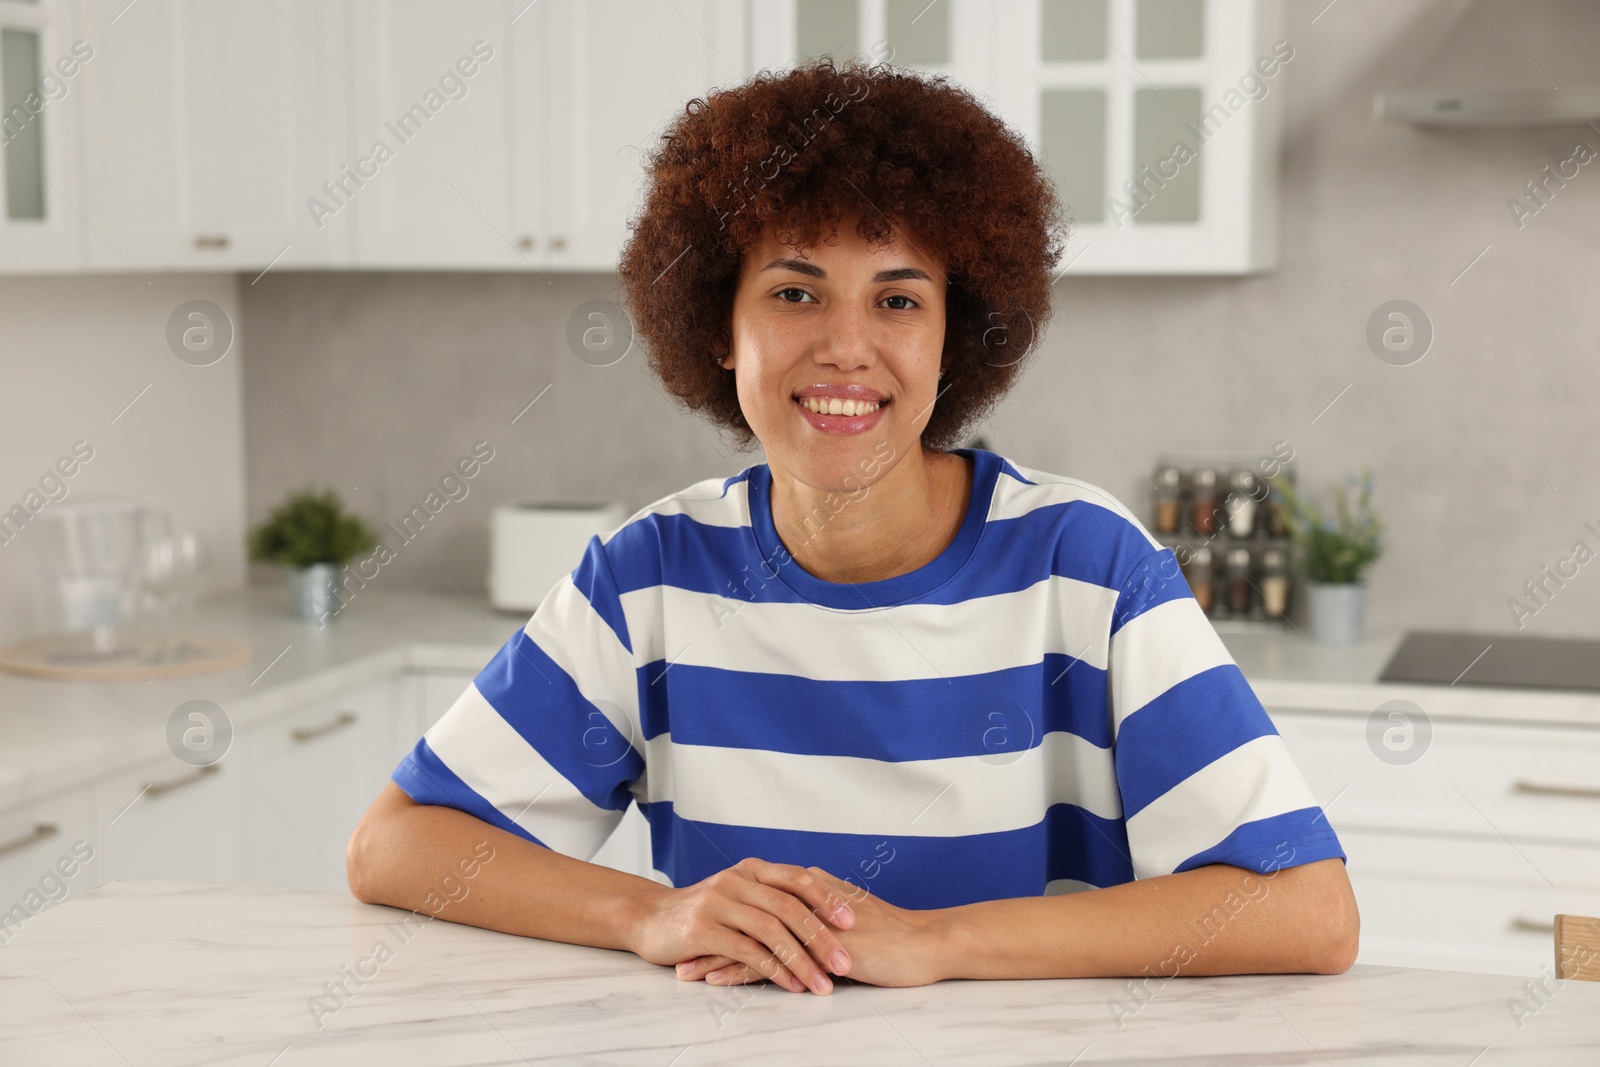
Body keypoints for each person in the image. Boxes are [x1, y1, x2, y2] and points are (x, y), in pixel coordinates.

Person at [347, 59, 1358, 997]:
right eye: (794, 292)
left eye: (898, 298)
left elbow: (1307, 910)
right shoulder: (650, 576)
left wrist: (935, 940)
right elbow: (395, 845)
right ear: (716, 323)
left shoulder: (1083, 565)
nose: (845, 348)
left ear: (953, 334)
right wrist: (649, 913)